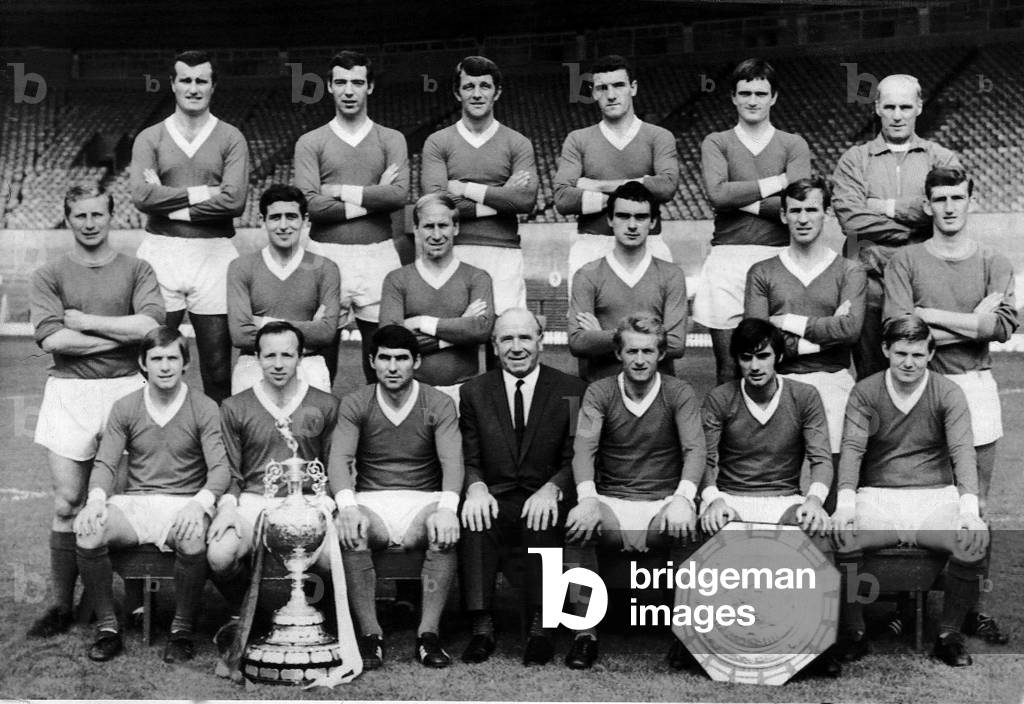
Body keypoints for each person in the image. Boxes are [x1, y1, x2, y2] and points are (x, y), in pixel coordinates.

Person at [883, 166, 1017, 645]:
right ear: (928, 204)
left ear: (969, 201)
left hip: (974, 386)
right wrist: (971, 321)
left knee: (974, 505)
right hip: (916, 390)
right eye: (939, 198)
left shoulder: (994, 261)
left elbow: (1001, 329)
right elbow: (898, 335)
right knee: (910, 499)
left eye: (957, 197)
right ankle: (904, 604)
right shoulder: (905, 261)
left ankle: (969, 611)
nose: (949, 206)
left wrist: (928, 317)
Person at [27, 185, 164, 638]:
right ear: (68, 219)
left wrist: (84, 322)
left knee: (120, 504)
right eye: (80, 215)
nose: (89, 223)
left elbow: (150, 327)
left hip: (126, 392)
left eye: (97, 214)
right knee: (68, 501)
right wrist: (121, 337)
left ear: (111, 216)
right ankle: (60, 605)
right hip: (69, 392)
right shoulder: (50, 274)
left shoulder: (137, 269)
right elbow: (52, 340)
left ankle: (122, 604)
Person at [832, 316, 990, 667]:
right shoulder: (866, 391)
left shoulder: (947, 391)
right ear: (886, 349)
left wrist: (968, 509)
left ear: (931, 354)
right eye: (901, 352)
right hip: (879, 496)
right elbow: (853, 448)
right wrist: (845, 502)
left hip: (933, 497)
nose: (908, 362)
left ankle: (948, 635)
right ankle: (854, 632)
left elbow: (962, 451)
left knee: (971, 540)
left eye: (918, 354)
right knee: (843, 537)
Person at [73, 326, 231, 663]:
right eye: (156, 358)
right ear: (143, 363)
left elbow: (220, 470)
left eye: (172, 357)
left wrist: (198, 505)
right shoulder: (126, 406)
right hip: (137, 502)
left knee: (192, 538)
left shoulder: (203, 406)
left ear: (185, 363)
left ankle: (181, 630)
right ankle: (108, 628)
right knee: (88, 533)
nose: (164, 366)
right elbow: (105, 462)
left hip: (183, 502)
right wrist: (96, 500)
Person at [563, 315, 705, 670]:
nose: (639, 359)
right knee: (578, 526)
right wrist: (588, 498)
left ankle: (685, 636)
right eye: (631, 351)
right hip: (613, 500)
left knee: (688, 525)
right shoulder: (599, 391)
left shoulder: (679, 391)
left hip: (661, 501)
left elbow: (695, 449)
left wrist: (684, 498)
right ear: (618, 354)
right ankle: (584, 633)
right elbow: (584, 449)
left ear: (660, 354)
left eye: (647, 351)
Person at [329, 325, 464, 669]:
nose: (393, 367)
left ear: (416, 361)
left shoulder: (438, 402)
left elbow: (452, 461)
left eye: (401, 358)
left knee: (442, 528)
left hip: (424, 499)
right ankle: (370, 635)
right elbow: (340, 459)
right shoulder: (356, 402)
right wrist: (346, 506)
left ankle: (428, 634)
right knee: (352, 528)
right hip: (373, 500)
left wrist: (448, 508)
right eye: (385, 358)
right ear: (372, 361)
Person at [458, 308, 587, 665]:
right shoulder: (474, 392)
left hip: (544, 491)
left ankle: (541, 627)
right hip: (496, 493)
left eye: (525, 338)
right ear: (495, 346)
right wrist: (476, 488)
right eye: (507, 339)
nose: (517, 347)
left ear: (541, 342)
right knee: (474, 518)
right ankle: (482, 627)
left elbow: (576, 454)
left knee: (542, 518)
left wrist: (553, 488)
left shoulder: (572, 390)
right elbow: (470, 457)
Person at [207, 321, 341, 661]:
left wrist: (331, 505)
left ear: (301, 357)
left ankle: (318, 616)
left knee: (330, 559)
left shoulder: (325, 404)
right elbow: (232, 472)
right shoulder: (234, 407)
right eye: (270, 356)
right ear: (257, 358)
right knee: (220, 554)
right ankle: (249, 614)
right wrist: (227, 509)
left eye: (287, 355)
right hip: (256, 502)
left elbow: (336, 465)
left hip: (310, 502)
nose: (278, 364)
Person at [130, 49, 249, 404]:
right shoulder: (150, 137)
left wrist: (168, 201)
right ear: (173, 84)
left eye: (201, 80)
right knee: (153, 359)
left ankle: (219, 451)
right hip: (160, 251)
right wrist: (203, 193)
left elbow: (234, 202)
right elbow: (141, 196)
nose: (193, 88)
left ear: (213, 86)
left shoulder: (231, 137)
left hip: (214, 254)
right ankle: (153, 446)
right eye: (186, 80)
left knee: (216, 367)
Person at [832, 73, 961, 378]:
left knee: (929, 378)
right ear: (876, 107)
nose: (898, 115)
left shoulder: (942, 158)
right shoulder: (854, 159)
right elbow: (850, 218)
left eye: (905, 106)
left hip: (925, 284)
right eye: (890, 107)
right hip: (869, 284)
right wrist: (912, 226)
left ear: (919, 107)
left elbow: (945, 212)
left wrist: (883, 206)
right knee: (872, 379)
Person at [294, 49, 409, 385]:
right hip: (324, 256)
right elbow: (312, 206)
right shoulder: (310, 141)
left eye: (356, 82)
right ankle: (322, 435)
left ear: (369, 87)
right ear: (329, 86)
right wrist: (375, 197)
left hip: (379, 254)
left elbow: (399, 196)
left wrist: (339, 190)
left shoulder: (391, 139)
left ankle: (379, 433)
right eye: (340, 82)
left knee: (383, 358)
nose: (348, 90)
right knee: (318, 360)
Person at [694, 58, 811, 386]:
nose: (753, 100)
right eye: (745, 93)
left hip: (777, 257)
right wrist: (778, 183)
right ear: (733, 97)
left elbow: (798, 205)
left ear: (774, 97)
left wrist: (735, 199)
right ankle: (728, 438)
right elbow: (717, 196)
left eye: (761, 93)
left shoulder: (793, 144)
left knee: (777, 366)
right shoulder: (716, 141)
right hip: (726, 258)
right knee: (729, 370)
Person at [744, 177, 866, 476]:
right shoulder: (762, 271)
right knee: (780, 484)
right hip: (780, 385)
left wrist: (785, 322)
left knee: (833, 483)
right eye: (795, 210)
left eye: (811, 210)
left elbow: (850, 331)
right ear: (783, 215)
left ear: (827, 213)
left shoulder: (850, 270)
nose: (802, 218)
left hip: (834, 382)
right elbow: (757, 344)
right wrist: (828, 334)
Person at [421, 55, 538, 317]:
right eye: (468, 86)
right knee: (457, 342)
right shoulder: (438, 142)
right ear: (456, 92)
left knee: (507, 339)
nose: (476, 94)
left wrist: (465, 189)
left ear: (497, 92)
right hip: (454, 251)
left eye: (484, 86)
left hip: (505, 252)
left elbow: (525, 201)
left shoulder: (518, 143)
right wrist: (502, 196)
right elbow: (436, 207)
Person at [553, 54, 680, 286]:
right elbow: (563, 199)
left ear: (633, 87)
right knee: (586, 321)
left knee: (651, 321)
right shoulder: (578, 139)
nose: (610, 95)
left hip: (648, 243)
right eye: (602, 88)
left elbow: (666, 187)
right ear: (593, 93)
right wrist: (640, 186)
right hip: (592, 245)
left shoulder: (658, 136)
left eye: (618, 85)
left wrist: (598, 185)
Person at [379, 193, 494, 403]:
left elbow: (481, 330)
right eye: (428, 226)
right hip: (411, 394)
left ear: (456, 227)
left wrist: (421, 323)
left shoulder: (477, 277)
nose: (437, 234)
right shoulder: (396, 279)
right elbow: (391, 342)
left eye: (443, 225)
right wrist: (459, 330)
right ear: (415, 229)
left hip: (465, 393)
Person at [568, 181, 687, 382]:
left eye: (640, 217)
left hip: (658, 395)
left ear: (652, 222)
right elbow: (578, 343)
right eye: (623, 216)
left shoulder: (671, 275)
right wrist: (651, 337)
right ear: (610, 219)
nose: (632, 225)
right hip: (604, 391)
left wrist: (606, 337)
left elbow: (676, 345)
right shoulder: (587, 275)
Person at [226, 184, 340, 393]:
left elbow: (326, 334)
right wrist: (307, 329)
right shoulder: (241, 267)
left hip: (307, 364)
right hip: (254, 364)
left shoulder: (325, 268)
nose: (284, 225)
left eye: (291, 216)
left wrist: (263, 323)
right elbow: (240, 335)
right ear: (263, 221)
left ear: (305, 220)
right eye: (275, 217)